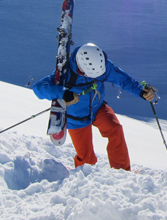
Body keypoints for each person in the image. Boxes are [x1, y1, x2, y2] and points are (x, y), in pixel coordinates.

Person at [33, 43, 155, 171]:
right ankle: (85, 178)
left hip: (97, 108)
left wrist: (141, 91)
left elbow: (123, 80)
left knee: (115, 129)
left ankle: (122, 172)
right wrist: (63, 93)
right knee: (86, 159)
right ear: (81, 68)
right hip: (76, 118)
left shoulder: (101, 64)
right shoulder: (66, 72)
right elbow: (38, 88)